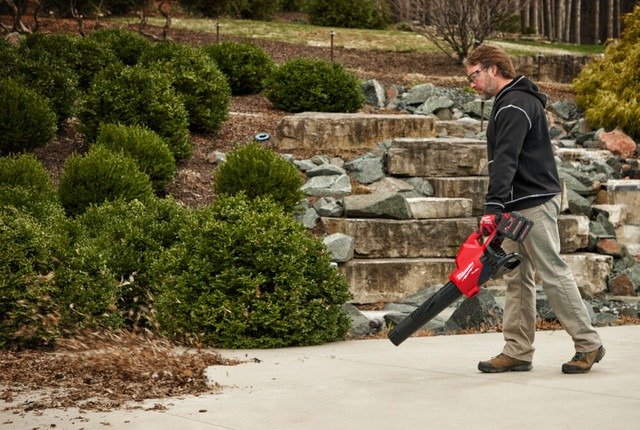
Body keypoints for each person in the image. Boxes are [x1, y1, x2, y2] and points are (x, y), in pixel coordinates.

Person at [464, 44, 605, 374]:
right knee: (517, 275)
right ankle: (518, 350)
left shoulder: (515, 104)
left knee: (552, 272)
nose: (471, 84)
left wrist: (492, 207)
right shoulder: (511, 100)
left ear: (493, 69)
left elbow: (506, 159)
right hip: (518, 204)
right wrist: (502, 206)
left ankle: (588, 344)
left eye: (474, 76)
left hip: (533, 202)